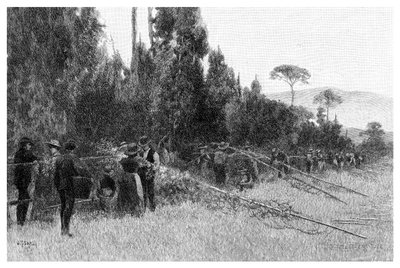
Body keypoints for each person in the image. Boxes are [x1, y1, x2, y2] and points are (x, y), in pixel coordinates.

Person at [46, 139, 76, 237]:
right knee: (68, 207)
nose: (51, 149)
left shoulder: (59, 158)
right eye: (50, 147)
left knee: (64, 207)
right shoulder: (69, 158)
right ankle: (65, 231)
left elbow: (55, 174)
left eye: (52, 147)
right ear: (72, 150)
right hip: (68, 185)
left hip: (61, 185)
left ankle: (64, 231)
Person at [13, 137, 39, 226]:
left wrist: (35, 160)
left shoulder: (28, 153)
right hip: (21, 182)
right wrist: (28, 163)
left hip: (25, 182)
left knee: (23, 200)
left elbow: (34, 158)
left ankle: (21, 222)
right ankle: (20, 221)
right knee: (23, 201)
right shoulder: (19, 154)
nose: (30, 146)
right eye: (29, 144)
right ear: (24, 145)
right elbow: (18, 165)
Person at [119, 143, 145, 215]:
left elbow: (120, 163)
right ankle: (137, 211)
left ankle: (126, 211)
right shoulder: (138, 159)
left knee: (126, 194)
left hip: (125, 177)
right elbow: (146, 166)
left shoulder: (124, 160)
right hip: (134, 177)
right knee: (137, 194)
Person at [138, 136, 160, 212]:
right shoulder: (140, 153)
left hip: (150, 176)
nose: (143, 147)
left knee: (151, 192)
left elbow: (156, 166)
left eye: (144, 145)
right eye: (142, 146)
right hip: (142, 176)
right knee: (143, 192)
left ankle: (152, 208)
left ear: (148, 144)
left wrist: (150, 166)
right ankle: (143, 209)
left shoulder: (154, 153)